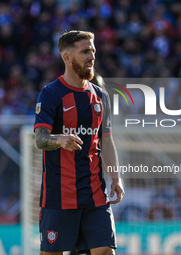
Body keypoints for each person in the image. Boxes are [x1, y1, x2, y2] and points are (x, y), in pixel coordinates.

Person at [33, 30, 125, 255]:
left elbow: (106, 141)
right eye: (85, 51)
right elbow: (40, 139)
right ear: (67, 57)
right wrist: (59, 139)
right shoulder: (51, 94)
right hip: (59, 195)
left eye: (93, 50)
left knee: (105, 251)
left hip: (95, 193)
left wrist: (115, 178)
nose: (92, 56)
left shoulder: (100, 96)